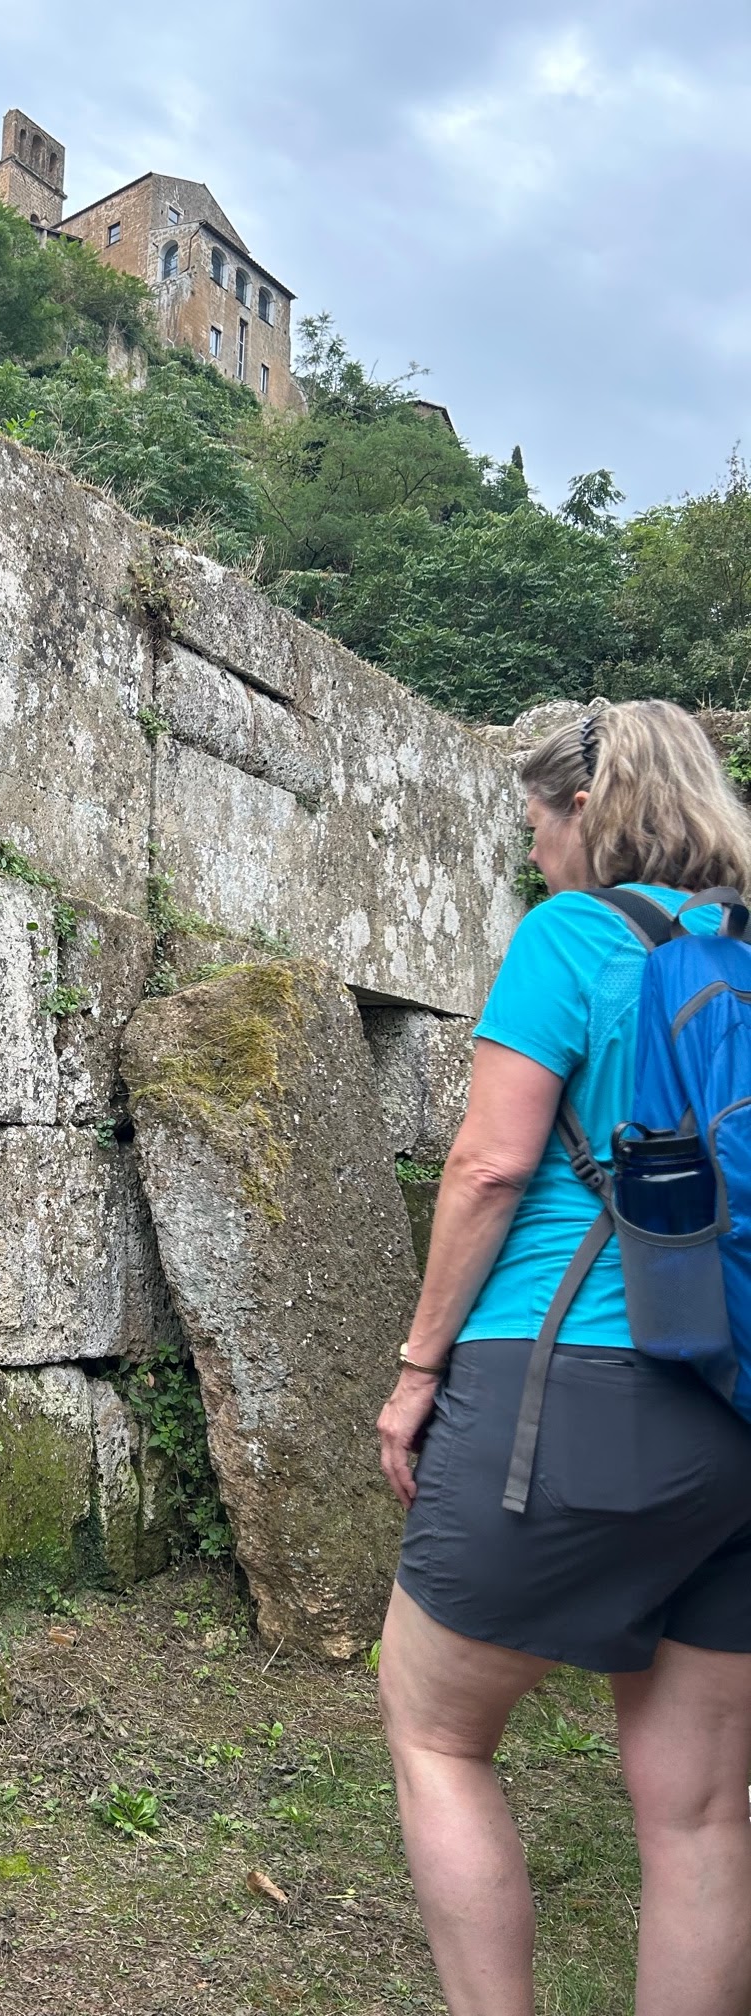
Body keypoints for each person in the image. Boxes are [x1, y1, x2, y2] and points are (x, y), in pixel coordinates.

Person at [375, 699, 751, 2016]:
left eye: (535, 824)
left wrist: (419, 1369)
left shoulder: (572, 935)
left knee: (435, 1729)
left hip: (577, 1382)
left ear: (584, 812)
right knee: (701, 1814)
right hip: (741, 1418)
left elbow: (488, 1164)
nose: (534, 852)